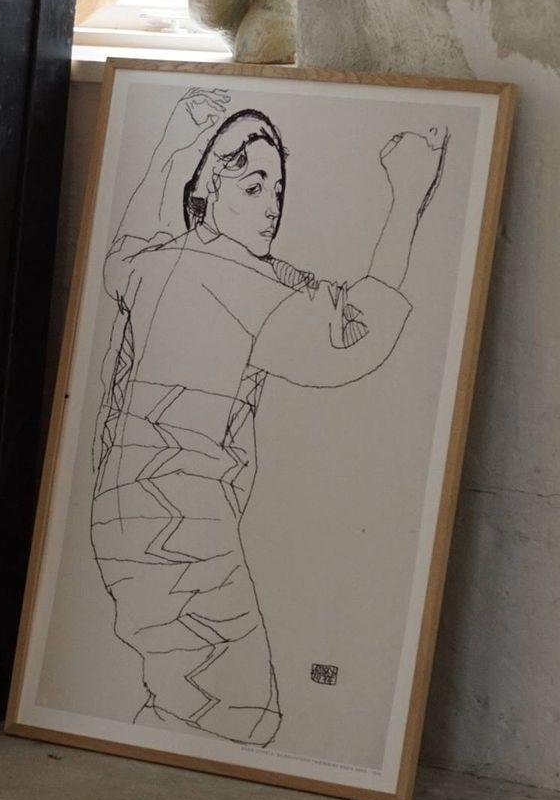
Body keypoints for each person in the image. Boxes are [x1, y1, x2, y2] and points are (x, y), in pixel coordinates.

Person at [90, 87, 445, 746]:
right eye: (253, 187)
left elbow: (129, 241)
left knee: (190, 698)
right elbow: (356, 339)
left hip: (123, 517)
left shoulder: (153, 264)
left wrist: (171, 136)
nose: (272, 205)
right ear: (209, 192)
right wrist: (407, 199)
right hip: (179, 524)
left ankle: (144, 777)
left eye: (278, 190)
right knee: (236, 708)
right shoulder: (245, 290)